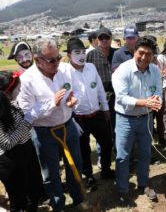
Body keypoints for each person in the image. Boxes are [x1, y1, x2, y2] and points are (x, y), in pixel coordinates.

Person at [17, 39, 87, 211]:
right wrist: (51, 103)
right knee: (51, 173)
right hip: (44, 132)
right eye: (51, 60)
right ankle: (58, 205)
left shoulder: (63, 70)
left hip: (68, 125)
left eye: (58, 57)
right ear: (37, 60)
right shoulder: (27, 80)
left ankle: (78, 199)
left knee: (75, 164)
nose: (57, 63)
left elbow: (74, 89)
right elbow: (27, 114)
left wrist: (72, 99)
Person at [112, 37, 162, 204]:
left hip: (146, 118)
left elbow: (158, 92)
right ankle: (122, 189)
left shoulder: (155, 70)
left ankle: (143, 183)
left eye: (148, 54)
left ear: (153, 56)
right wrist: (144, 102)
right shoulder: (122, 71)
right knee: (123, 155)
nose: (143, 57)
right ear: (135, 51)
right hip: (125, 119)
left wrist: (157, 100)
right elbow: (121, 97)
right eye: (141, 53)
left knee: (145, 153)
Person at [65, 37, 114, 190]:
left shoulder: (91, 67)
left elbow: (99, 88)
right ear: (68, 54)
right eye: (77, 52)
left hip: (96, 113)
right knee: (83, 149)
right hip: (79, 118)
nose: (81, 55)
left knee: (107, 142)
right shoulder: (64, 72)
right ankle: (89, 176)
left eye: (83, 52)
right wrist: (71, 120)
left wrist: (105, 108)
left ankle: (105, 169)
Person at [0, 72, 42, 212]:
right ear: (7, 93)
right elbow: (6, 143)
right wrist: (26, 124)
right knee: (19, 200)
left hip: (26, 150)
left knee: (34, 190)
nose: (20, 91)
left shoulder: (11, 104)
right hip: (11, 159)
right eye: (18, 89)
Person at [86, 27, 117, 168]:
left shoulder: (117, 53)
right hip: (99, 97)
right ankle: (101, 156)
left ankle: (117, 151)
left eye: (107, 37)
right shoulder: (91, 55)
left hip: (117, 95)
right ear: (97, 40)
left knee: (117, 126)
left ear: (111, 38)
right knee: (102, 128)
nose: (104, 40)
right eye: (101, 38)